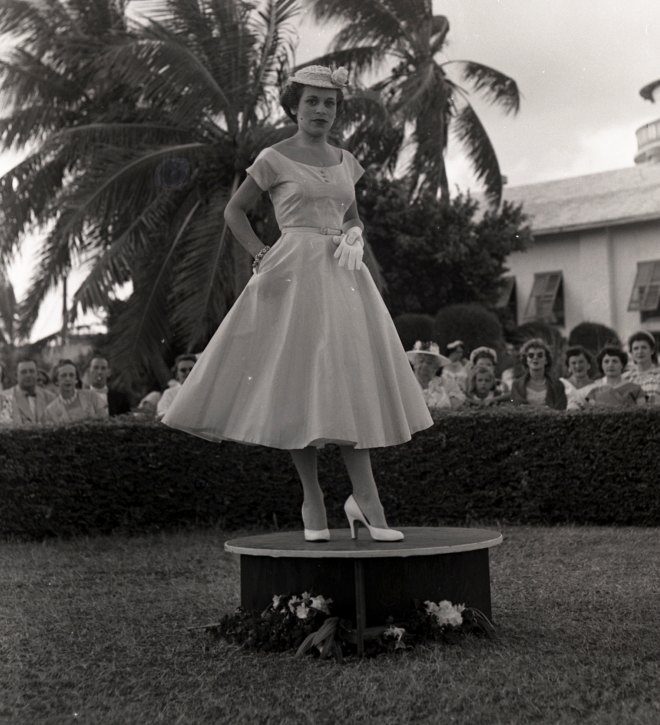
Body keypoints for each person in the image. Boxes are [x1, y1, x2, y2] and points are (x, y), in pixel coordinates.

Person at [163, 65, 433, 542]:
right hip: (292, 273)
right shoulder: (273, 157)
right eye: (312, 101)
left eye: (329, 103)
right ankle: (312, 498)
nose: (321, 111)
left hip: (344, 276)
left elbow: (351, 215)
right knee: (298, 383)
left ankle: (366, 500)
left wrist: (354, 233)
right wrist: (260, 254)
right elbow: (235, 211)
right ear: (293, 106)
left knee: (350, 378)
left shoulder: (347, 161)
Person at [622, 331, 660, 407]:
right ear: (631, 353)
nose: (640, 351)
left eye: (644, 347)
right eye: (636, 348)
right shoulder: (626, 377)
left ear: (652, 351)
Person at [509, 339, 567, 410]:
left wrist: (529, 408)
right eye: (531, 355)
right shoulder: (516, 385)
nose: (535, 358)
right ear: (526, 360)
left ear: (546, 360)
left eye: (540, 355)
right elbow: (516, 409)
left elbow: (561, 410)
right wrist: (546, 408)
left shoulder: (558, 385)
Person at [44, 359, 109, 422]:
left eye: (71, 375)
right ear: (56, 381)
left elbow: (106, 421)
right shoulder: (50, 411)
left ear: (76, 379)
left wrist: (92, 418)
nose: (68, 379)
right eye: (63, 375)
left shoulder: (91, 395)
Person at [406, 341, 462, 410]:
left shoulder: (446, 384)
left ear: (436, 367)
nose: (425, 365)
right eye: (421, 360)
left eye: (429, 362)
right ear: (414, 363)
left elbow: (457, 403)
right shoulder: (405, 384)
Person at [8, 358, 57, 424]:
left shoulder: (50, 397)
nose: (28, 375)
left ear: (37, 374)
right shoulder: (6, 397)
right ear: (16, 376)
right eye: (24, 372)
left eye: (31, 371)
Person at [156, 354, 197, 418]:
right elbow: (162, 414)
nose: (188, 372)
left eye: (192, 369)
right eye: (183, 370)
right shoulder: (169, 393)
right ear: (177, 374)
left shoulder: (206, 390)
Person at [560, 345, 598, 410]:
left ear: (588, 365)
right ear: (569, 367)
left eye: (581, 362)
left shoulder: (597, 387)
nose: (577, 366)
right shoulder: (560, 384)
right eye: (573, 363)